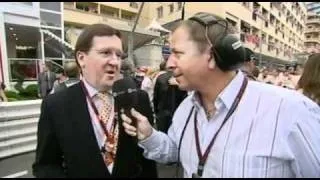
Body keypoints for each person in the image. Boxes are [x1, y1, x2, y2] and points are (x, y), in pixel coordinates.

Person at [121, 12, 320, 178]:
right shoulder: (186, 107)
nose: (170, 63)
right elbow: (175, 150)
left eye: (177, 53)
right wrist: (149, 135)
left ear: (212, 55)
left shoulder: (291, 111)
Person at [33, 24, 158, 178]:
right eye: (106, 53)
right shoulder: (55, 105)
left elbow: (148, 161)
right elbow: (46, 165)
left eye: (118, 55)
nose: (115, 62)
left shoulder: (138, 99)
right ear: (81, 58)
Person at [153, 61, 187, 133]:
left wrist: (156, 112)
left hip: (163, 112)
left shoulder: (161, 78)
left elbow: (155, 97)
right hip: (178, 112)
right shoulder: (182, 78)